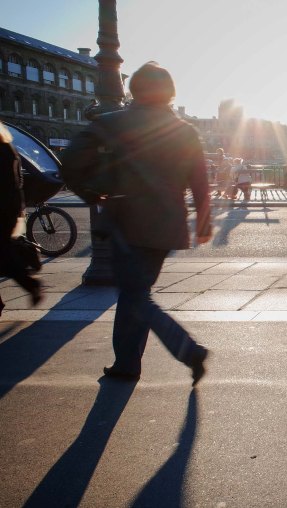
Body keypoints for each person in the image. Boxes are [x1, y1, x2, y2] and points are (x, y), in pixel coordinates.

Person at [60, 61, 212, 385]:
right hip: (167, 225)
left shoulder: (113, 122)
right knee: (136, 292)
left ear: (135, 90)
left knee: (134, 294)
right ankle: (127, 363)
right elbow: (200, 180)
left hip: (126, 218)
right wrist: (204, 218)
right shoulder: (184, 131)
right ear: (170, 92)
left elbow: (71, 159)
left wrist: (89, 191)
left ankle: (187, 350)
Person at [0, 120, 42, 315]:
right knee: (3, 253)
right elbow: (19, 180)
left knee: (4, 255)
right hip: (9, 207)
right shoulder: (8, 146)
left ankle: (30, 284)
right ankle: (29, 284)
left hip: (2, 208)